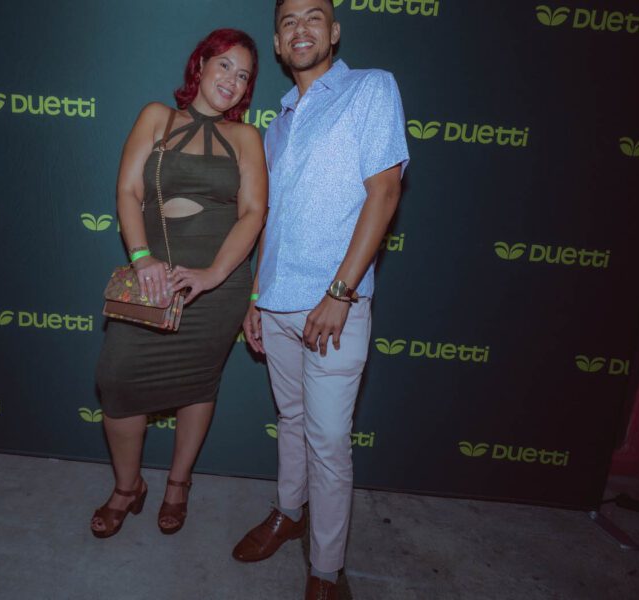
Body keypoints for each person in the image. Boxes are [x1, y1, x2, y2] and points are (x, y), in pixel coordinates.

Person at [231, 1, 409, 598]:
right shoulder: (275, 125)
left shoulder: (370, 89)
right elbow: (269, 219)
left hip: (335, 306)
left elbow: (384, 193)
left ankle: (326, 569)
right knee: (291, 419)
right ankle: (289, 512)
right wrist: (256, 295)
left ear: (333, 32)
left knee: (329, 441)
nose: (300, 28)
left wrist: (340, 291)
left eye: (314, 17)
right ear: (278, 45)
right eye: (288, 22)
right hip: (276, 302)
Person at [92, 29, 267, 539]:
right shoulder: (156, 117)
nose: (232, 80)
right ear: (201, 65)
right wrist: (141, 257)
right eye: (225, 65)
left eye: (244, 76)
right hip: (153, 282)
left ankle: (177, 483)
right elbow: (128, 191)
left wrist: (213, 275)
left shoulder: (247, 138)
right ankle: (128, 487)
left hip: (218, 288)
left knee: (197, 384)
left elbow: (254, 214)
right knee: (117, 380)